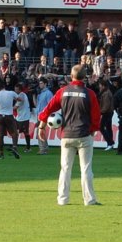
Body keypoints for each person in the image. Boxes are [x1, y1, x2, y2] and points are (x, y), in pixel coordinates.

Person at [37, 65, 101, 206]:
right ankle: (89, 200)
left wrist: (41, 126)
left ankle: (62, 199)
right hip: (84, 134)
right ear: (84, 77)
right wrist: (93, 130)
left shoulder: (63, 91)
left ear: (71, 76)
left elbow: (48, 109)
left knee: (65, 168)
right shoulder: (89, 93)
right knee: (86, 169)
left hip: (66, 135)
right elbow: (96, 116)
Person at [0, 80, 21, 160]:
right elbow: (20, 99)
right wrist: (14, 105)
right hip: (9, 115)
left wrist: (1, 105)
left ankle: (1, 154)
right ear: (4, 86)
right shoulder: (11, 93)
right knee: (14, 133)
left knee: (0, 136)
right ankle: (14, 147)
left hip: (1, 116)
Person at [35, 78, 54, 155]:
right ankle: (44, 148)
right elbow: (37, 105)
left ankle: (43, 149)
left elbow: (50, 105)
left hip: (44, 115)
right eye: (39, 83)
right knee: (41, 132)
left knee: (39, 131)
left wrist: (47, 115)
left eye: (41, 83)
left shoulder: (48, 93)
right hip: (39, 115)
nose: (40, 85)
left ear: (45, 84)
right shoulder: (40, 93)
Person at [97, 79, 115, 151]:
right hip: (109, 112)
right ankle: (110, 144)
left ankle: (110, 143)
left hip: (106, 113)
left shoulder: (106, 93)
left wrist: (101, 112)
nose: (99, 86)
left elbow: (106, 105)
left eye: (100, 85)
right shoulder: (106, 92)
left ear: (103, 86)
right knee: (108, 128)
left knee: (101, 127)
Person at [14, 82, 32, 152]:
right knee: (15, 131)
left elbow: (15, 107)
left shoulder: (21, 95)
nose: (15, 91)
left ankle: (28, 148)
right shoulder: (22, 95)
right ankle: (15, 146)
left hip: (24, 117)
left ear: (20, 90)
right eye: (15, 89)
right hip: (20, 117)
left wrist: (7, 108)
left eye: (16, 89)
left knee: (25, 133)